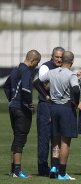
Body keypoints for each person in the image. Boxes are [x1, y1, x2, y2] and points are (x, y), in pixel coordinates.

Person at [38, 51, 80, 180]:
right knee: (65, 142)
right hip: (66, 108)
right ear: (72, 62)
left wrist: (46, 96)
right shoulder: (71, 74)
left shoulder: (52, 72)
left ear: (62, 60)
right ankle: (62, 173)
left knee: (55, 140)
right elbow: (76, 89)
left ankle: (54, 167)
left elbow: (37, 82)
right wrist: (76, 103)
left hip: (53, 108)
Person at [3, 50, 41, 178]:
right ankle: (18, 171)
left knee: (16, 137)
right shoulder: (25, 71)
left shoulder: (15, 70)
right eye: (37, 63)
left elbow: (6, 86)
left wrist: (12, 99)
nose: (36, 66)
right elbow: (25, 89)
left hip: (13, 108)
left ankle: (13, 170)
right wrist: (29, 105)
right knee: (20, 139)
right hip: (21, 109)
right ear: (33, 60)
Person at [35, 47, 65, 177]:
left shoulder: (64, 69)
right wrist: (47, 97)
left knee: (56, 139)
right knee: (44, 138)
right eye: (56, 57)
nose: (59, 59)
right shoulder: (45, 67)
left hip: (58, 107)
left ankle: (55, 166)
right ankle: (42, 169)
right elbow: (38, 83)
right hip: (46, 106)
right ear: (52, 56)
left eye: (61, 57)